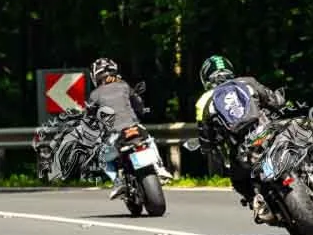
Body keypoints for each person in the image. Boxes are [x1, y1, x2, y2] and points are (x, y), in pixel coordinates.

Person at [194, 55, 285, 222]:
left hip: (242, 148)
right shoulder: (247, 82)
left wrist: (209, 146)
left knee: (238, 181)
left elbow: (205, 135)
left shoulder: (203, 101)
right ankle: (311, 172)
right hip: (266, 132)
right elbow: (275, 100)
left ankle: (257, 201)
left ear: (205, 78)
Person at [87, 58, 173, 199]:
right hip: (134, 128)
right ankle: (159, 167)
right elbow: (138, 103)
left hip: (115, 135)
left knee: (102, 158)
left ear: (95, 76)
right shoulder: (124, 85)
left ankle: (117, 181)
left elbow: (89, 118)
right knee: (149, 140)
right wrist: (142, 110)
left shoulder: (94, 95)